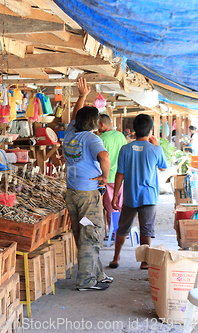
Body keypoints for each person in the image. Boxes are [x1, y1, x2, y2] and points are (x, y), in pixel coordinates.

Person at [64, 78, 112, 291]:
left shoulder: (70, 134)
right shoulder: (92, 139)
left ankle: (97, 273)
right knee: (91, 235)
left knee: (84, 233)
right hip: (88, 197)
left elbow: (76, 116)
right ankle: (86, 281)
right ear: (94, 124)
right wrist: (105, 176)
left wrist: (82, 95)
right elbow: (105, 156)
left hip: (73, 195)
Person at [109, 114, 168, 269]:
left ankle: (116, 258)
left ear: (134, 130)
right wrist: (156, 145)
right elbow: (163, 167)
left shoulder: (125, 149)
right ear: (150, 131)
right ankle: (144, 261)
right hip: (149, 197)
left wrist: (115, 195)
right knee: (146, 229)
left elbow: (119, 173)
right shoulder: (156, 149)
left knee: (122, 228)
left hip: (130, 196)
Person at [98, 115, 126, 230]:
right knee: (121, 205)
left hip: (108, 177)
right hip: (122, 176)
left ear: (101, 125)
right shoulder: (121, 136)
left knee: (110, 207)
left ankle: (114, 232)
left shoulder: (101, 139)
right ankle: (123, 230)